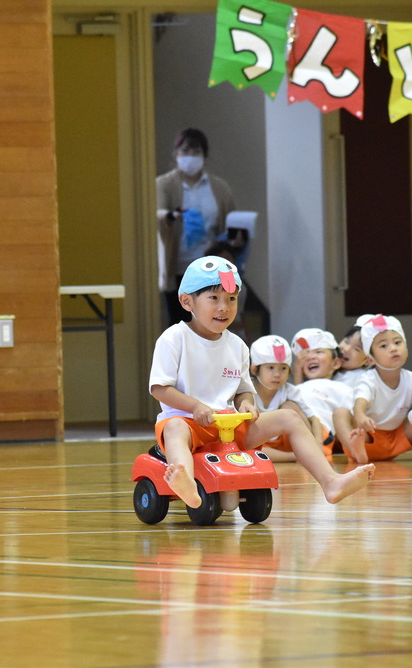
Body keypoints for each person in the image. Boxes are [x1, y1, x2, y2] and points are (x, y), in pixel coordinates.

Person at [148, 257, 375, 510]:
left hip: (227, 426)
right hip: (189, 424)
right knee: (175, 428)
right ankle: (186, 482)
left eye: (231, 299)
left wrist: (247, 405)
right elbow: (160, 388)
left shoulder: (237, 345)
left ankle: (331, 482)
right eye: (214, 298)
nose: (224, 307)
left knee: (289, 417)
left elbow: (243, 390)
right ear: (187, 301)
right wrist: (194, 407)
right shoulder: (174, 338)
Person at [156, 129, 236, 328]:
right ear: (176, 154)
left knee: (213, 323)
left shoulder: (219, 187)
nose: (190, 156)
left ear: (204, 156)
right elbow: (154, 214)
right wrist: (171, 215)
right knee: (181, 325)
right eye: (185, 151)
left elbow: (231, 223)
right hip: (178, 266)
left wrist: (235, 239)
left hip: (212, 268)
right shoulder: (164, 184)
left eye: (196, 151)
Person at [348, 315, 412, 463]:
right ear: (370, 359)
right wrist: (361, 416)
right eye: (384, 346)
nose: (393, 348)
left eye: (397, 342)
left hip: (398, 438)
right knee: (341, 414)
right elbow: (361, 400)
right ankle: (355, 449)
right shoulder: (369, 379)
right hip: (369, 437)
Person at [249, 334, 330, 462]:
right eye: (270, 367)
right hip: (259, 445)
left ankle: (307, 450)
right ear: (254, 369)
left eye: (283, 368)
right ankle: (295, 457)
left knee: (290, 407)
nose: (277, 374)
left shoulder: (289, 390)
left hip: (289, 442)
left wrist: (318, 444)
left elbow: (313, 419)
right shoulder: (247, 391)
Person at [291, 328, 367, 463]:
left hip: (319, 433)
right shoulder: (294, 389)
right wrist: (297, 369)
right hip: (287, 433)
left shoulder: (341, 388)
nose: (311, 357)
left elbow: (349, 419)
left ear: (336, 363)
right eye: (306, 355)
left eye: (318, 352)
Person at [335, 316, 375, 390]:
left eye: (356, 349)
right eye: (346, 341)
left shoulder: (363, 379)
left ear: (368, 360)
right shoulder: (329, 369)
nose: (347, 349)